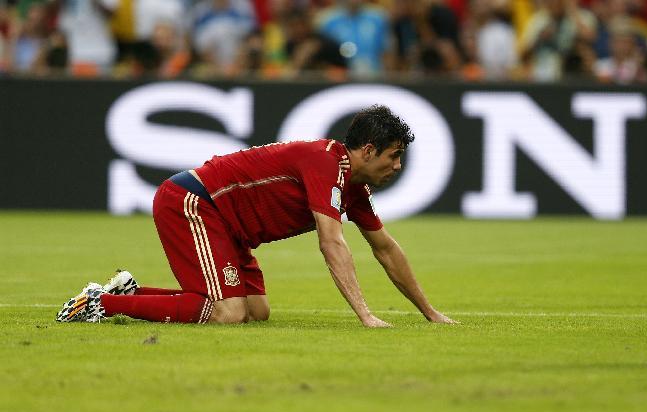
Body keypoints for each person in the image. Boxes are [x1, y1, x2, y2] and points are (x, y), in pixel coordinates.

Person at [56, 105, 456, 328]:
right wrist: (365, 315)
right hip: (193, 203)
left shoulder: (352, 186)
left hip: (228, 227)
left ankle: (129, 292)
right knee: (227, 313)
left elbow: (385, 249)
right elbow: (331, 242)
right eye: (394, 155)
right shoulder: (324, 161)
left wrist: (430, 313)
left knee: (256, 311)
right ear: (368, 151)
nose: (398, 166)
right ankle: (100, 304)